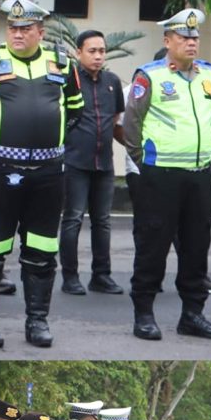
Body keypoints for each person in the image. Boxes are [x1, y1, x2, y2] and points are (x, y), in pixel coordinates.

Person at [0, 0, 84, 349]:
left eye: (26, 28)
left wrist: (51, 142)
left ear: (40, 31)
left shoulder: (61, 63)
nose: (18, 34)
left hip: (48, 174)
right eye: (13, 28)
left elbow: (75, 110)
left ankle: (37, 321)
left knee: (42, 247)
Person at [121, 9, 211, 342]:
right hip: (160, 176)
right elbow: (131, 123)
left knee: (196, 247)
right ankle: (144, 314)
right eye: (183, 37)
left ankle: (192, 315)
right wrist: (143, 161)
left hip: (199, 174)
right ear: (168, 41)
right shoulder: (149, 76)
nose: (191, 42)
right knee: (153, 246)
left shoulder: (210, 75)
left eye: (195, 37)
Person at [60, 30, 127, 297]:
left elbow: (116, 118)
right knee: (73, 219)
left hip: (104, 163)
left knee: (102, 221)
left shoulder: (112, 81)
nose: (98, 56)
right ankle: (70, 277)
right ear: (78, 53)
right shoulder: (69, 80)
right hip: (75, 161)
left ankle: (101, 276)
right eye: (92, 51)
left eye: (102, 51)